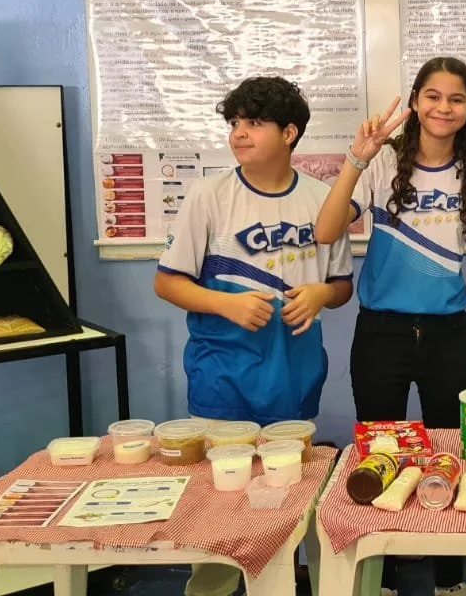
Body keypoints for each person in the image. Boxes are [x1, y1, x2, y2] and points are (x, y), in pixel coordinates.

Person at [154, 76, 354, 596]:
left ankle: (284, 581)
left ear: (289, 133)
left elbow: (341, 287)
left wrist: (320, 294)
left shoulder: (322, 200)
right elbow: (167, 282)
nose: (239, 133)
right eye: (234, 123)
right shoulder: (210, 196)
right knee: (220, 506)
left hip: (293, 376)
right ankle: (212, 588)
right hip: (223, 378)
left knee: (288, 500)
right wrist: (225, 303)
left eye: (255, 123)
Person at [315, 56, 466, 596]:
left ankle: (449, 577)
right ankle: (386, 576)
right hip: (382, 335)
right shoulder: (382, 164)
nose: (444, 107)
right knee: (380, 456)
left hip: (448, 336)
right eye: (433, 96)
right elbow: (326, 231)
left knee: (452, 456)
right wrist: (357, 157)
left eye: (456, 99)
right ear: (416, 102)